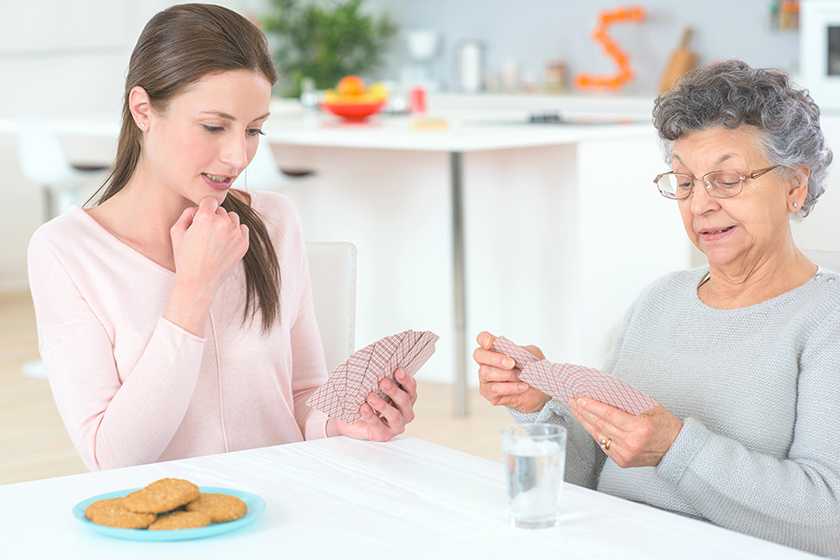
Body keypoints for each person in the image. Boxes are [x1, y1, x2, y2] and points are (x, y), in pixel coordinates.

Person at [27, 3, 416, 472]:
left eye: (254, 130)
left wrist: (345, 421)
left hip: (291, 503)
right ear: (143, 109)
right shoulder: (66, 252)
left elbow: (300, 398)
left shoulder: (275, 221)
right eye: (214, 127)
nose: (238, 156)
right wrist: (192, 290)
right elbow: (113, 457)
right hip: (172, 530)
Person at [474, 60, 840, 557]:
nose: (700, 204)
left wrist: (675, 448)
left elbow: (827, 521)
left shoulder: (827, 320)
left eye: (727, 179)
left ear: (795, 185)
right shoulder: (660, 298)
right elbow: (589, 471)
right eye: (685, 182)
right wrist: (542, 408)